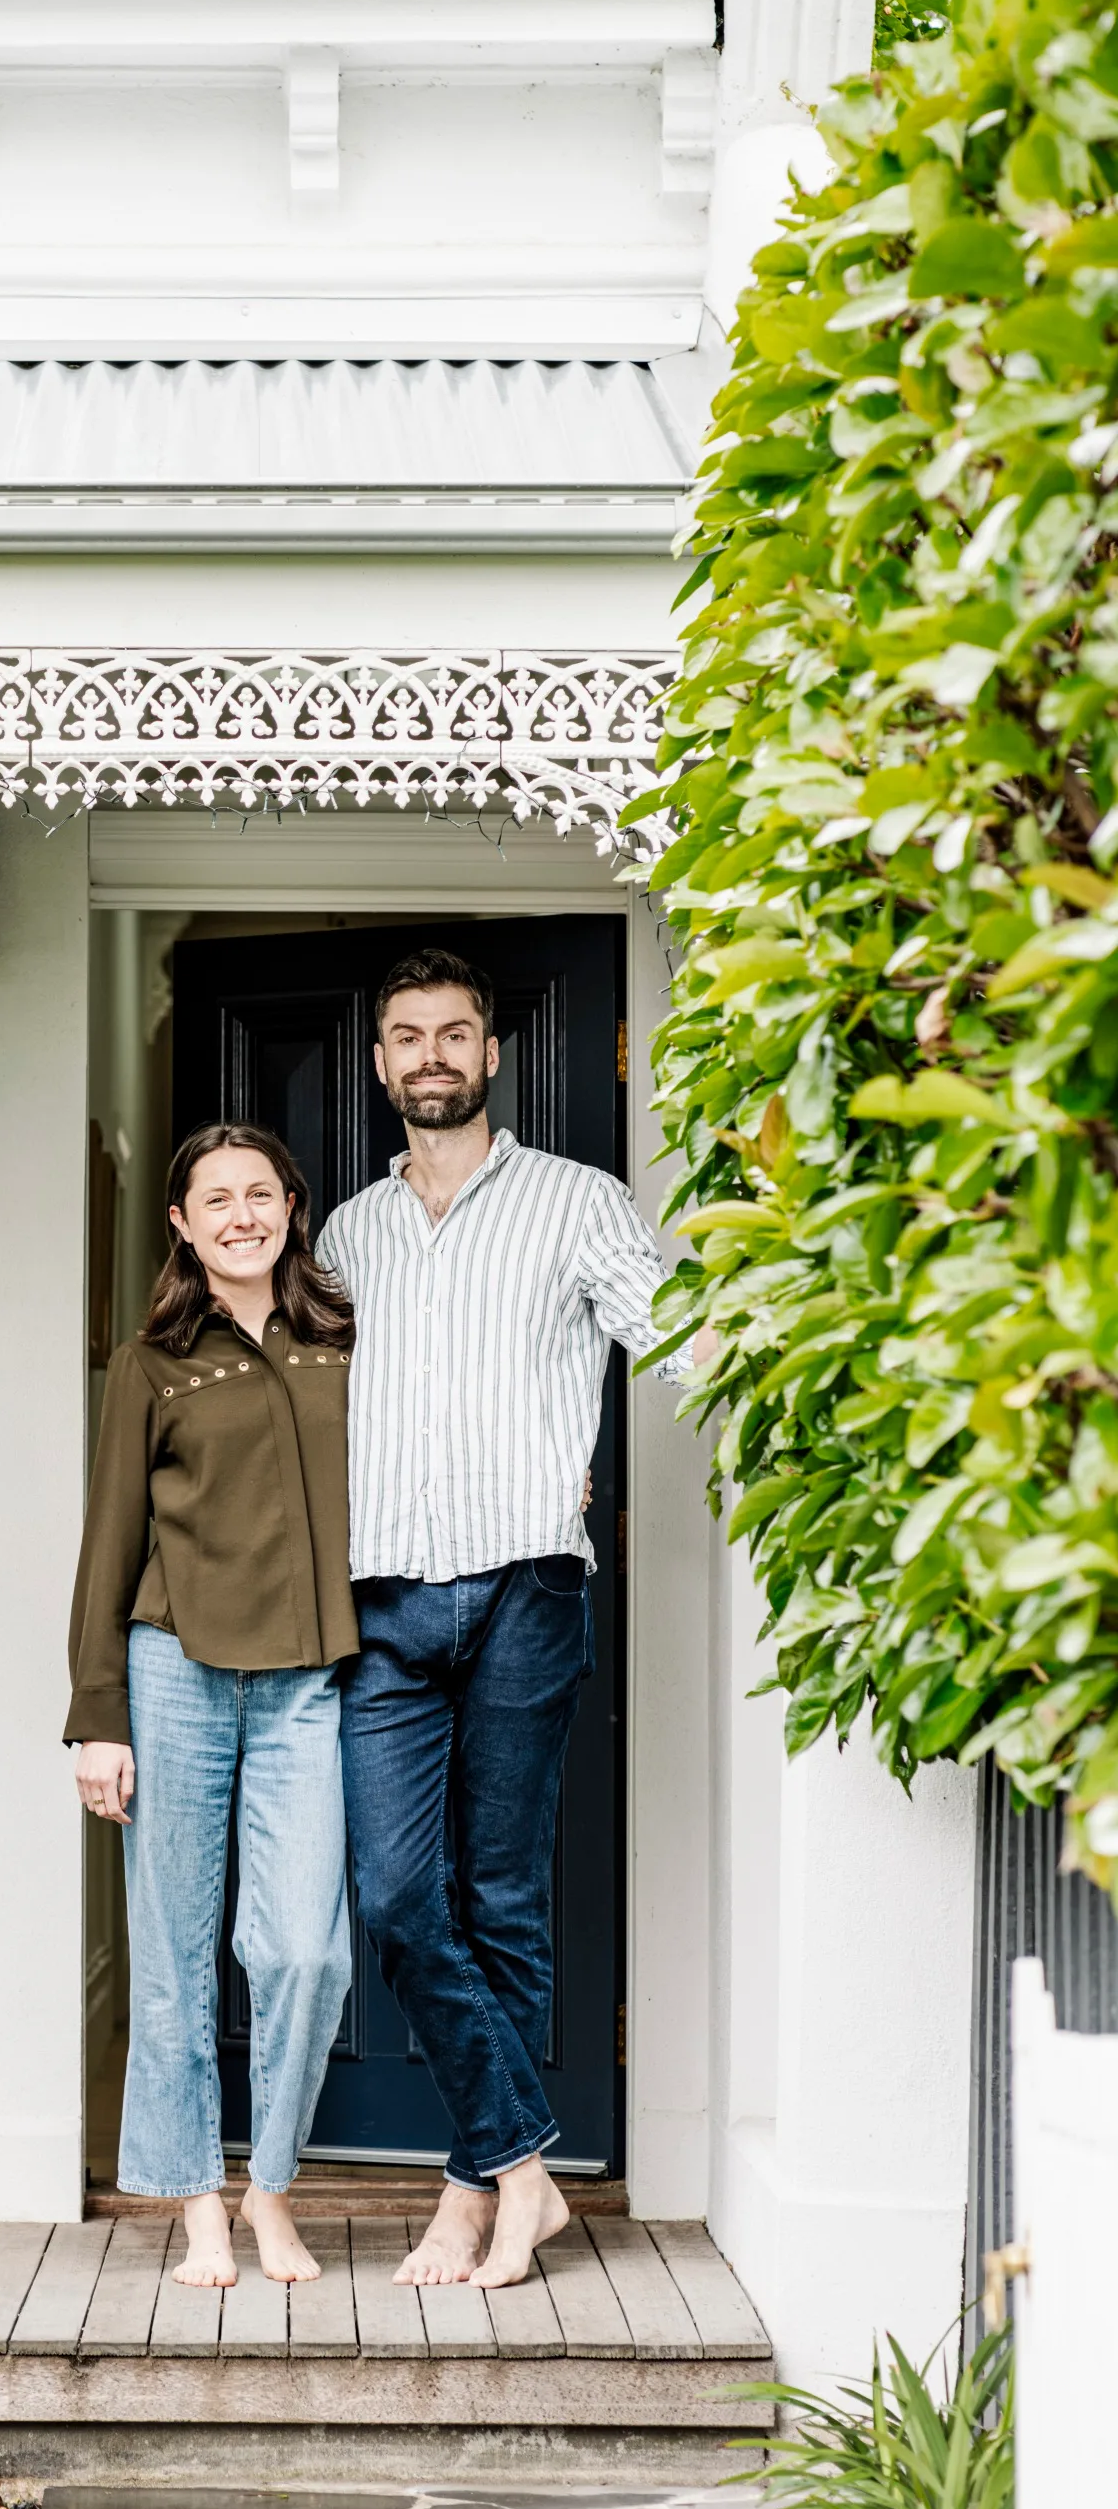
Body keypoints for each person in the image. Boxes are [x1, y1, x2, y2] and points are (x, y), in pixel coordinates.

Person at [316, 948, 705, 2292]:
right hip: (381, 1601)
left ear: (493, 1056)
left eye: (454, 1033)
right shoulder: (347, 1236)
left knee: (502, 1895)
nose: (430, 1053)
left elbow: (681, 1339)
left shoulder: (578, 1202)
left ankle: (468, 2194)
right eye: (406, 1033)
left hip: (528, 1582)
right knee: (398, 1894)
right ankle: (528, 2167)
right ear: (379, 1064)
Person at [66, 1124, 358, 2290]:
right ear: (181, 1225)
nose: (242, 1215)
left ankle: (270, 2189)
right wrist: (99, 1717)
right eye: (214, 1200)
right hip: (173, 1669)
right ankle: (196, 2205)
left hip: (312, 1677)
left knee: (301, 1953)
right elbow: (108, 1545)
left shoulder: (345, 1339)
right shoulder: (151, 1362)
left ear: (293, 1204)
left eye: (261, 1193)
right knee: (177, 1956)